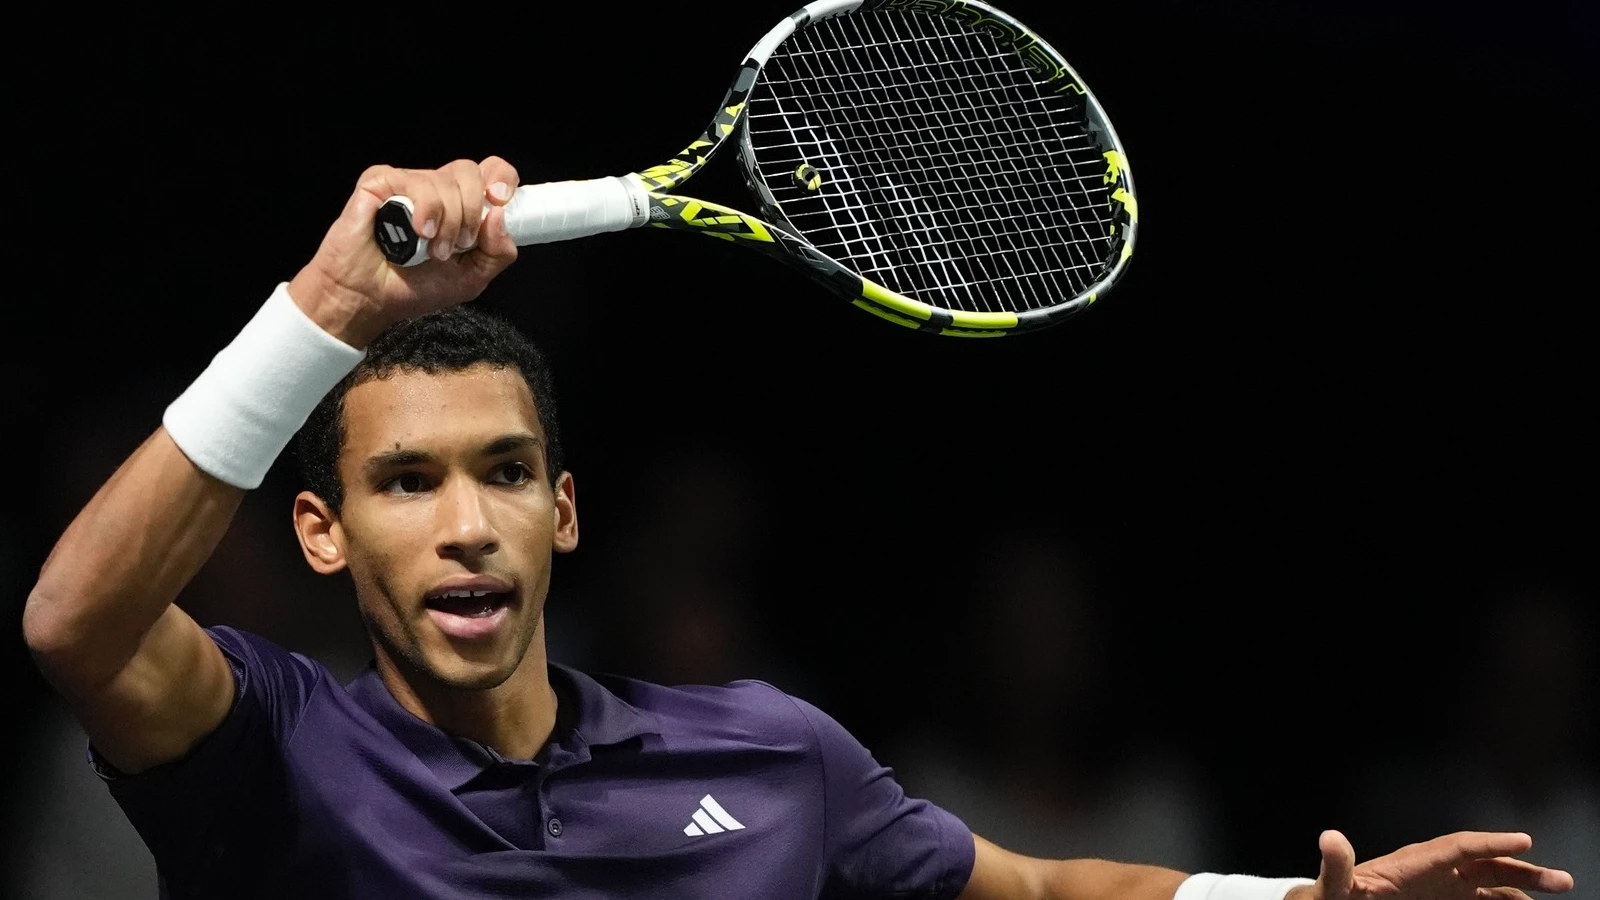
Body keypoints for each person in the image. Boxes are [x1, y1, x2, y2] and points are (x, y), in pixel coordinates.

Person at [21, 156, 1579, 900]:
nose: (466, 525)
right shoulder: (274, 754)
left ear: (565, 514)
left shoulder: (772, 758)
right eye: (405, 483)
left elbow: (1035, 894)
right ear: (320, 532)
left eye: (504, 473)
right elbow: (73, 621)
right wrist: (329, 308)